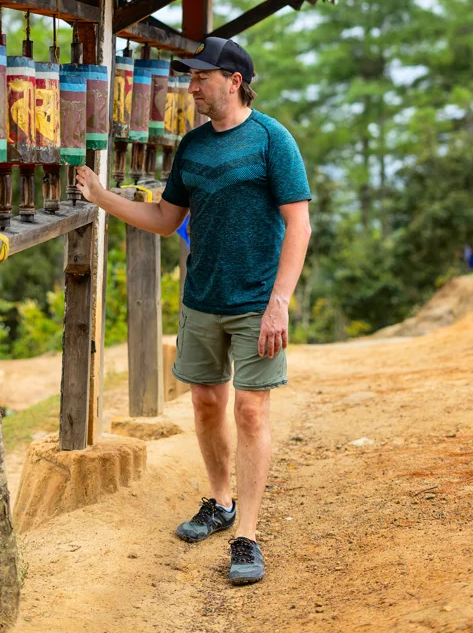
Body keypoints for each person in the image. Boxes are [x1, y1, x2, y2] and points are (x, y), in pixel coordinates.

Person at [76, 36, 311, 586]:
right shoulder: (193, 146)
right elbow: (164, 218)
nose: (192, 85)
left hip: (257, 300)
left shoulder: (273, 140)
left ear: (234, 81)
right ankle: (221, 502)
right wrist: (101, 197)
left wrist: (280, 302)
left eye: (202, 76)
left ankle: (247, 535)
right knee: (206, 402)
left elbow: (298, 224)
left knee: (251, 410)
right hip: (202, 297)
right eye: (191, 76)